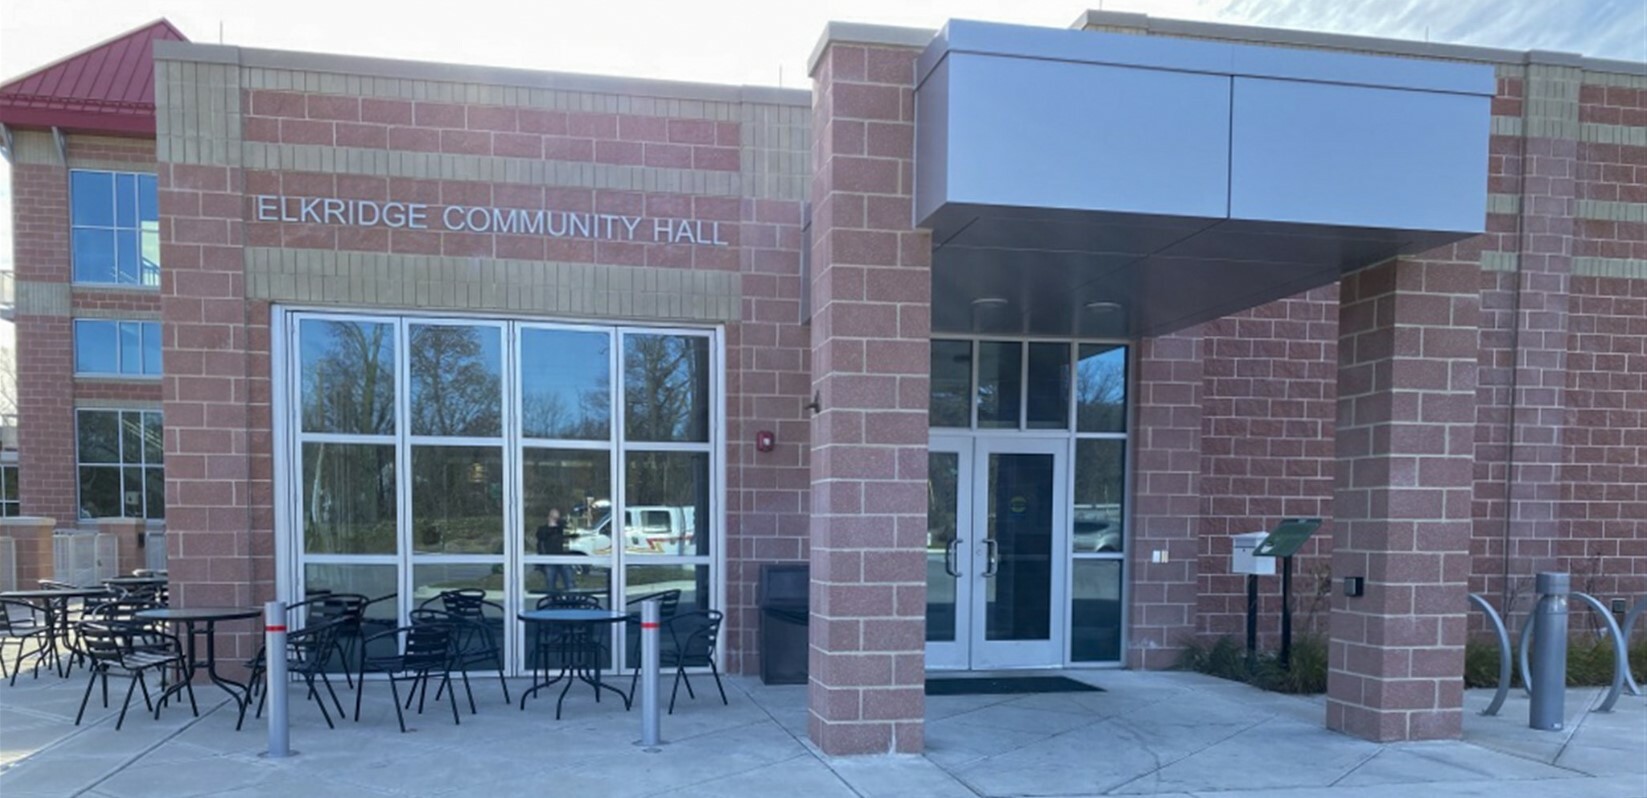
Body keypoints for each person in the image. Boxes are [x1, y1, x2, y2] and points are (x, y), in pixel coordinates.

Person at [535, 509, 576, 592]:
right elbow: (541, 537)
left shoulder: (561, 529)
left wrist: (559, 524)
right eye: (553, 517)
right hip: (550, 559)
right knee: (550, 585)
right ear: (549, 517)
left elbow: (570, 533)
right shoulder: (543, 529)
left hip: (563, 559)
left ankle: (572, 601)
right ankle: (551, 602)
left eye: (556, 518)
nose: (555, 520)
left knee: (569, 584)